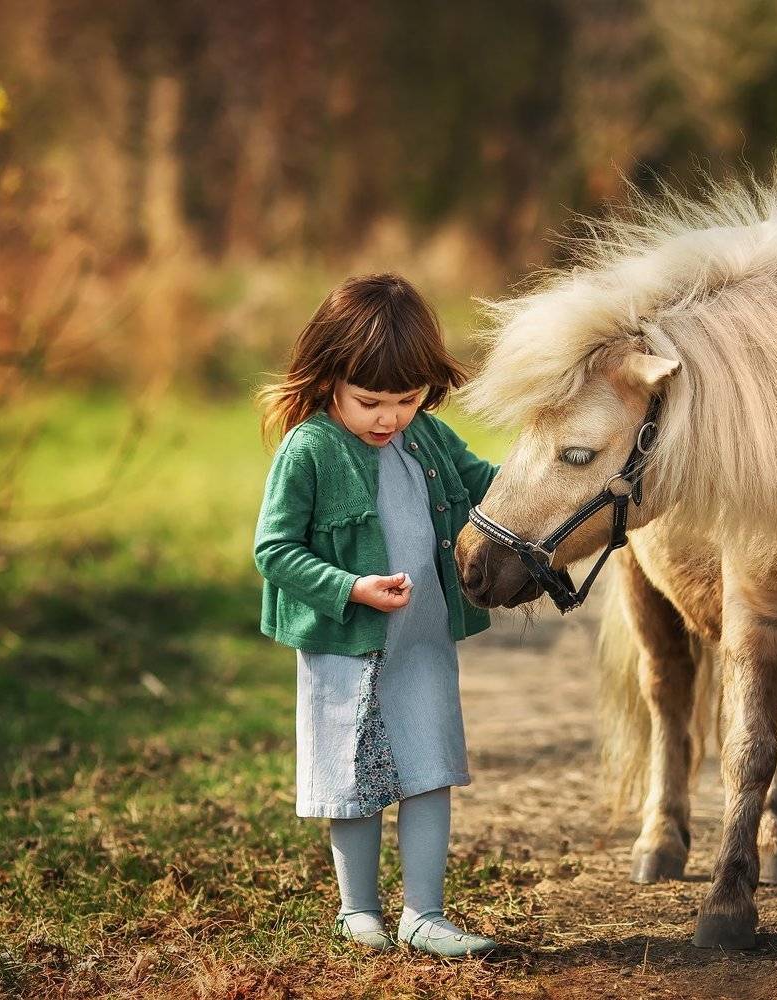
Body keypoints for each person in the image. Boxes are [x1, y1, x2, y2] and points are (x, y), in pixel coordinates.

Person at [252, 273, 502, 958]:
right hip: (346, 644)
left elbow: (491, 485)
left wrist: (555, 478)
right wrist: (349, 587)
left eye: (407, 399)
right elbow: (273, 549)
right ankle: (357, 910)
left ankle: (425, 914)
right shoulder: (310, 450)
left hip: (421, 643)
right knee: (353, 778)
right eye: (371, 402)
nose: (389, 417)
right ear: (329, 377)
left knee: (430, 767)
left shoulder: (428, 438)